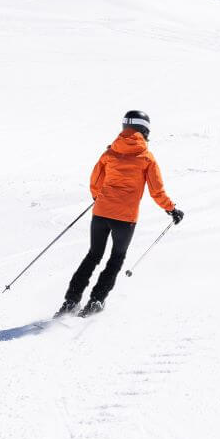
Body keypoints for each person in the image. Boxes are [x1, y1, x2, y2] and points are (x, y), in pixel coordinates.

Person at [56, 110, 183, 318]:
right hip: (125, 219)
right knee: (116, 258)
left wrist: (99, 198)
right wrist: (171, 209)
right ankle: (96, 301)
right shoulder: (146, 158)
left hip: (101, 214)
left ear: (125, 128)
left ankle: (70, 301)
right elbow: (156, 191)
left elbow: (95, 181)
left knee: (93, 255)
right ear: (145, 129)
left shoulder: (110, 153)